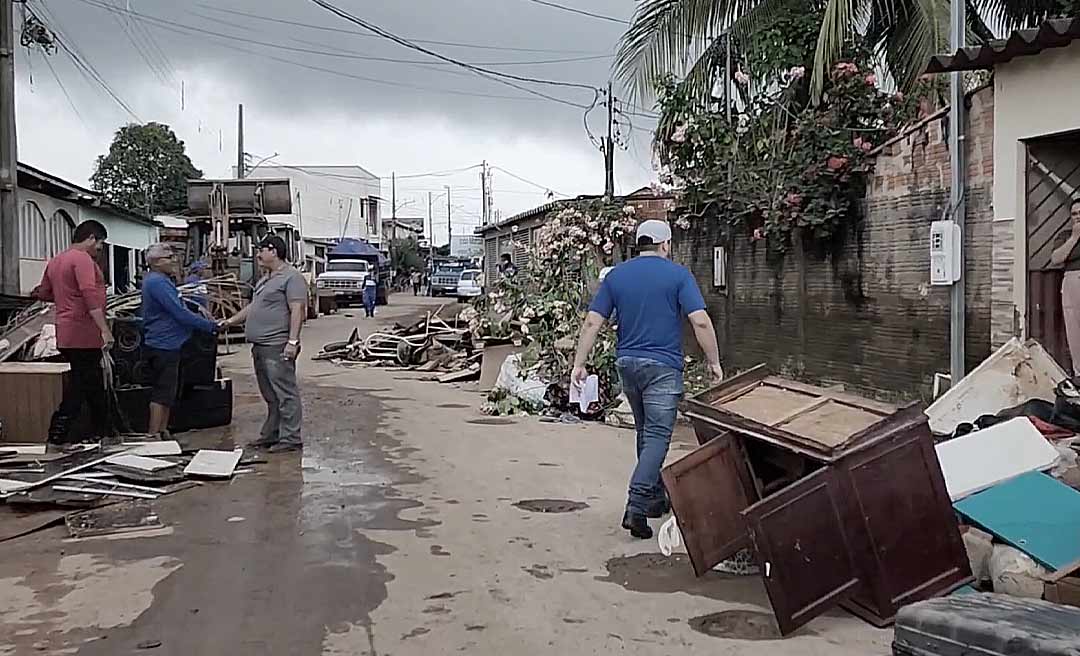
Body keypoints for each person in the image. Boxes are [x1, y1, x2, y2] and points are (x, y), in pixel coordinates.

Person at [571, 220, 724, 540]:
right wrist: (713, 361)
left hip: (628, 364)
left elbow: (591, 323)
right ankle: (636, 505)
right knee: (656, 437)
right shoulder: (678, 275)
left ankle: (654, 498)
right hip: (663, 368)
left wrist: (579, 364)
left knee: (646, 433)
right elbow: (701, 322)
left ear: (640, 243)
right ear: (665, 244)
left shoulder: (617, 276)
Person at [220, 236, 307, 453]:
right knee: (270, 394)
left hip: (277, 345)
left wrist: (292, 342)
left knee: (285, 393)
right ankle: (271, 434)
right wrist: (230, 321)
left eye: (261, 250)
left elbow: (298, 310)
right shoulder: (265, 279)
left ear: (274, 251)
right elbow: (253, 307)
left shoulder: (292, 278)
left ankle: (291, 438)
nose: (258, 255)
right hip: (260, 346)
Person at [33, 220, 113, 443]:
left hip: (66, 331)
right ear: (90, 238)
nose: (100, 249)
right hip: (84, 332)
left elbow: (44, 293)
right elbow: (89, 294)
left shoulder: (56, 261)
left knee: (92, 383)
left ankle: (101, 432)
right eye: (100, 243)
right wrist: (104, 329)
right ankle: (59, 431)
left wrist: (65, 295)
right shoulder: (83, 260)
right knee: (81, 384)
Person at [140, 244, 218, 437]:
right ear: (157, 262)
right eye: (169, 257)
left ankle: (163, 430)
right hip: (163, 344)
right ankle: (154, 435)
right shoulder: (157, 282)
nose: (173, 261)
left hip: (170, 343)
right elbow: (179, 313)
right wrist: (210, 326)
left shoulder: (162, 281)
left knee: (168, 392)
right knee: (162, 392)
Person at [1051, 198, 1080, 375]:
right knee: (1075, 331)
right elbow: (1056, 259)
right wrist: (1075, 237)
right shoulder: (1065, 236)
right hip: (1072, 282)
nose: (1078, 217)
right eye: (1074, 214)